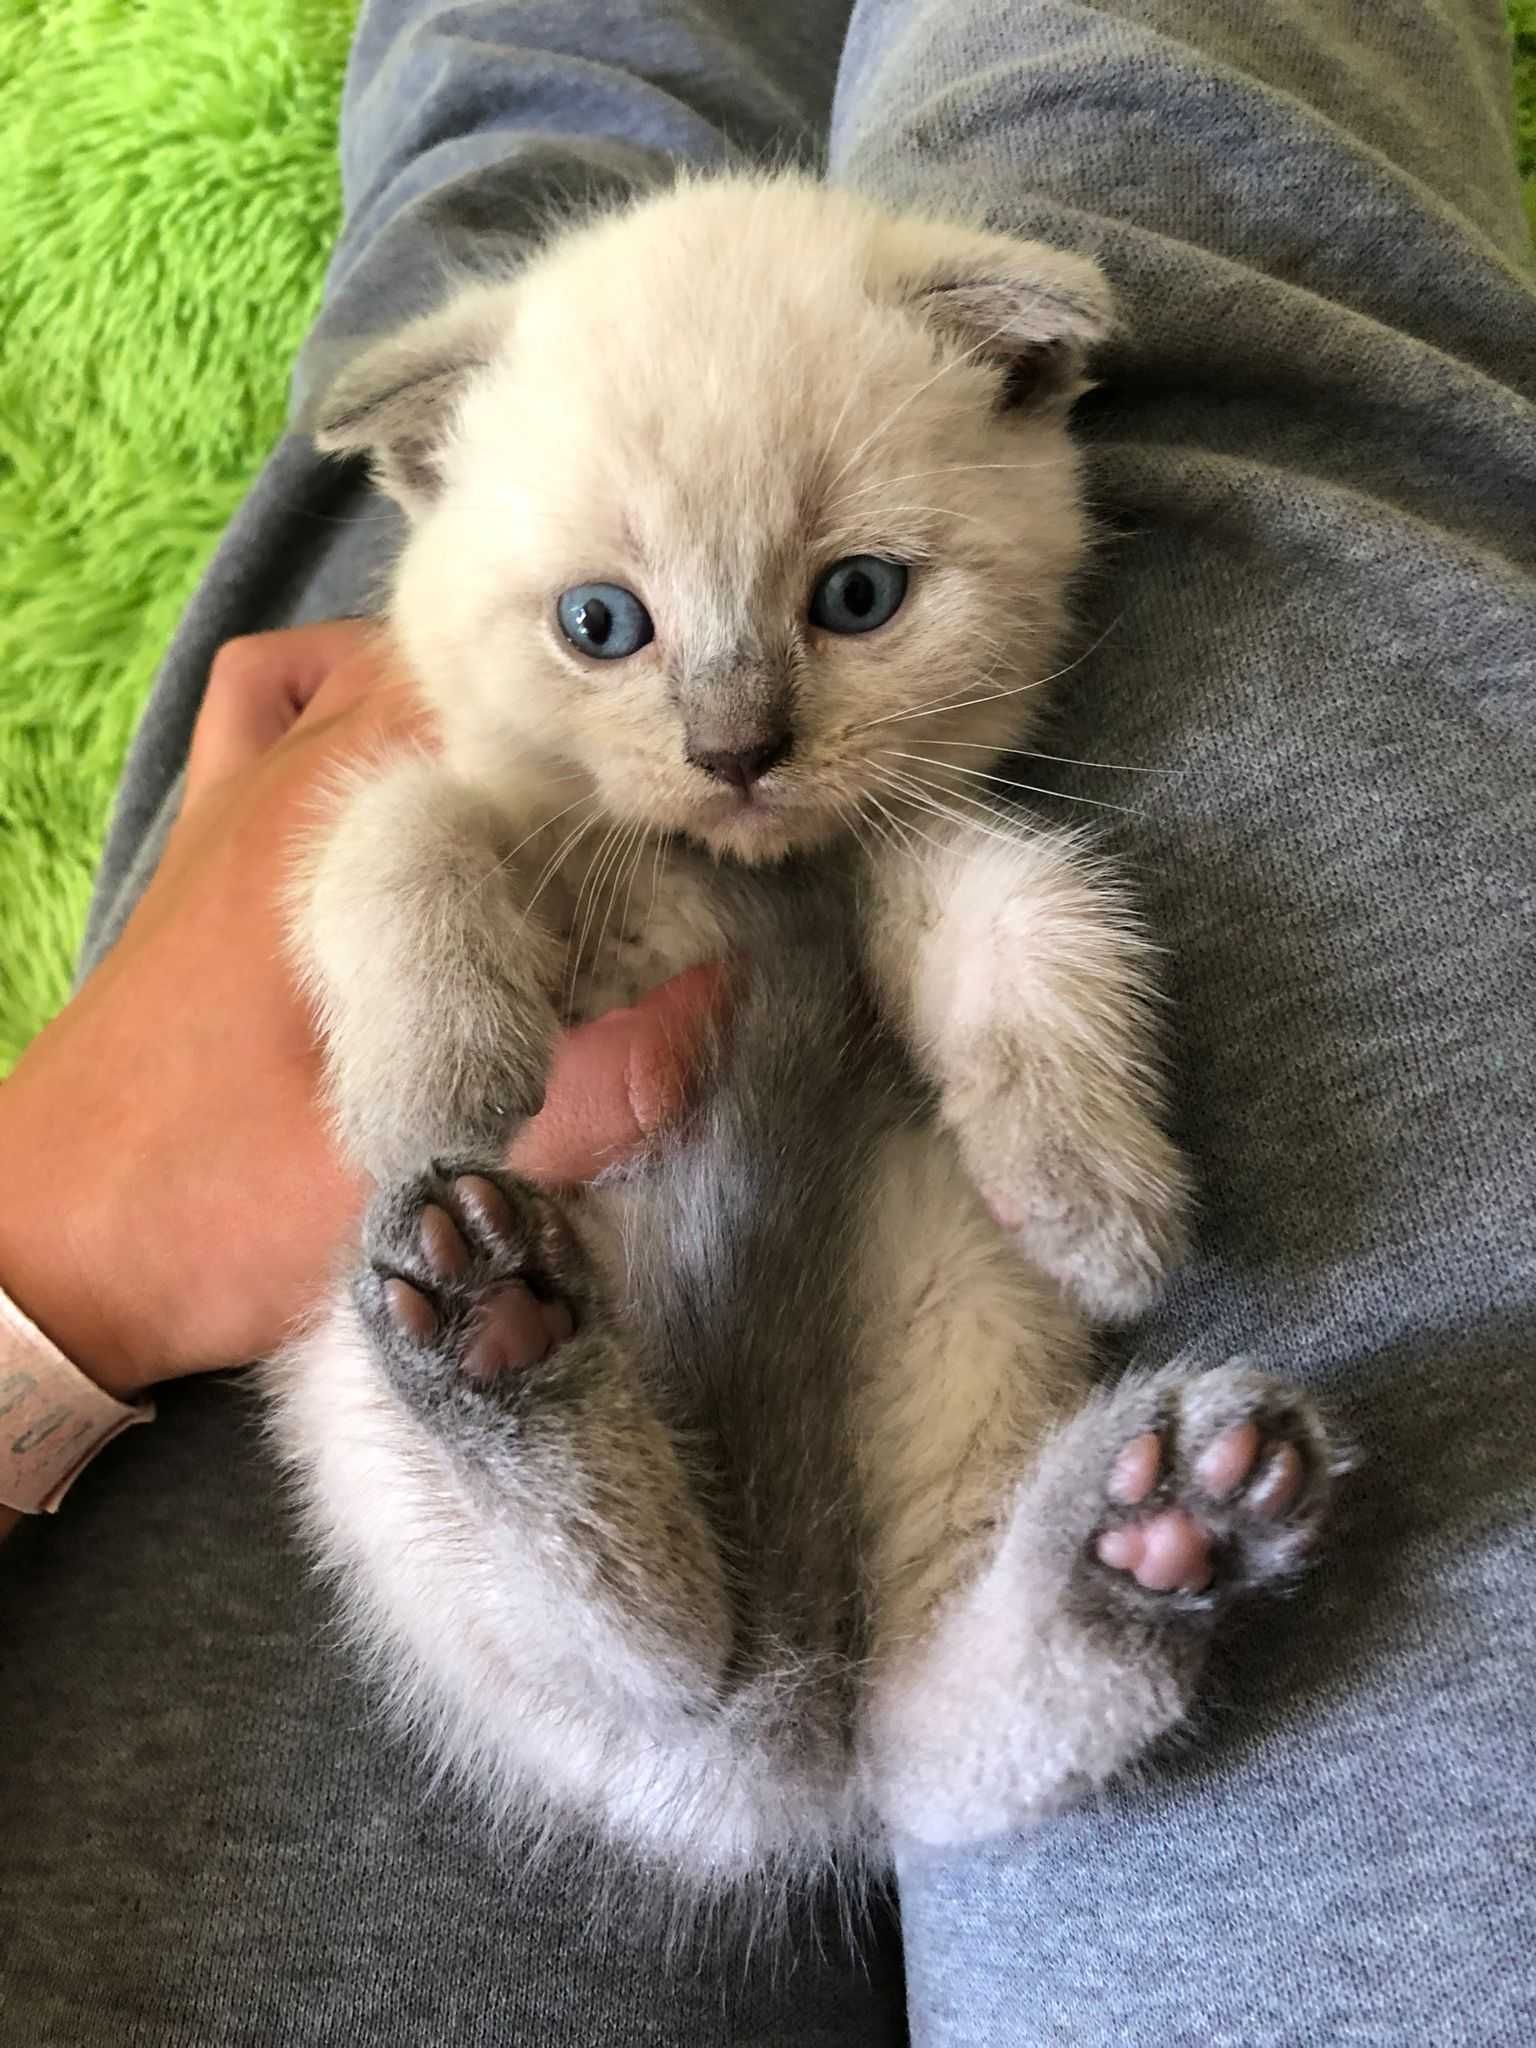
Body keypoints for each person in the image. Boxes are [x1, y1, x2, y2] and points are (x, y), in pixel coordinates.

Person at [2, 0, 1532, 2041]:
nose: (735, 734)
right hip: (564, 1630)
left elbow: (988, 927)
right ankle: (604, 1473)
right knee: (1147, 126)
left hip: (803, 1436)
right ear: (435, 485)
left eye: (858, 598)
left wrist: (1048, 1076)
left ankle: (1048, 1625)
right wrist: (411, 939)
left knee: (518, 169)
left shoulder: (794, 735)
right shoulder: (507, 758)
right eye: (609, 628)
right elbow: (404, 918)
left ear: (1027, 390)